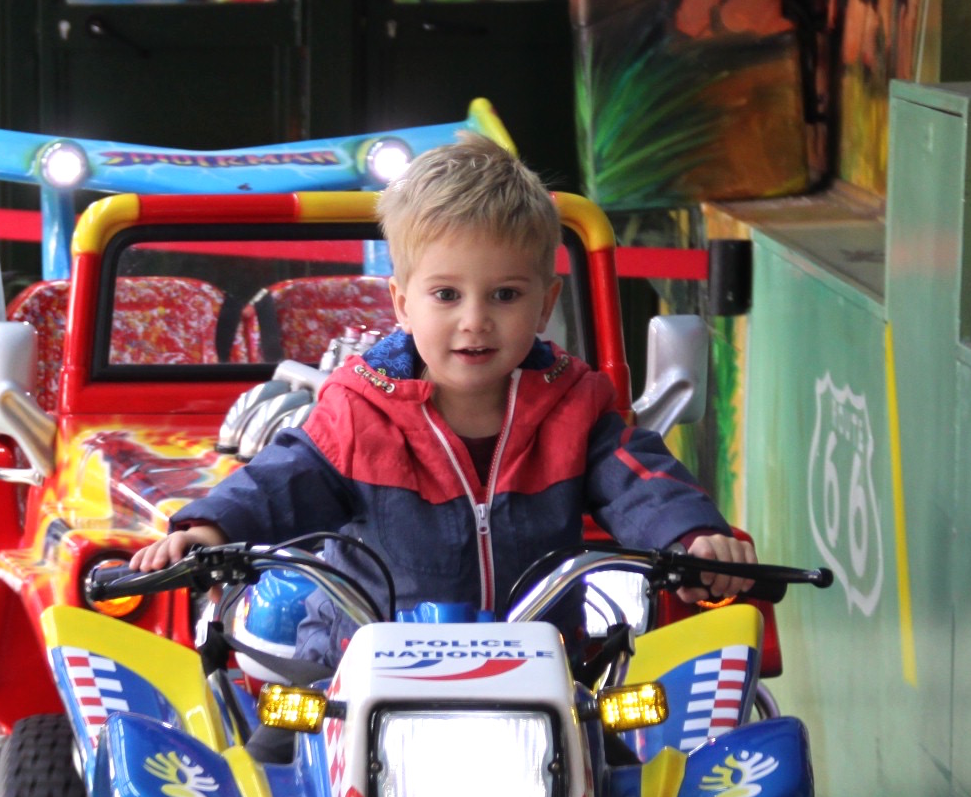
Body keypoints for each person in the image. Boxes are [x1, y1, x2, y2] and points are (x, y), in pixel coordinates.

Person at [129, 134, 751, 639]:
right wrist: (208, 530)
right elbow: (282, 480)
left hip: (540, 671)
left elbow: (641, 481)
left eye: (505, 295)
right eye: (447, 294)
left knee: (625, 754)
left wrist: (693, 537)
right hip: (373, 672)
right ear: (402, 304)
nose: (474, 320)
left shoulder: (575, 408)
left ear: (545, 305)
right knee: (275, 748)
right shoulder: (358, 412)